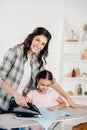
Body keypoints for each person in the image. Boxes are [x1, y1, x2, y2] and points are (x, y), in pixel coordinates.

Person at [0, 27, 82, 115]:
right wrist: (16, 95)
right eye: (37, 40)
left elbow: (51, 81)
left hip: (21, 104)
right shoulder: (15, 52)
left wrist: (68, 99)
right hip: (3, 101)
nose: (39, 46)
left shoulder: (36, 59)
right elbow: (0, 78)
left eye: (43, 44)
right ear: (31, 38)